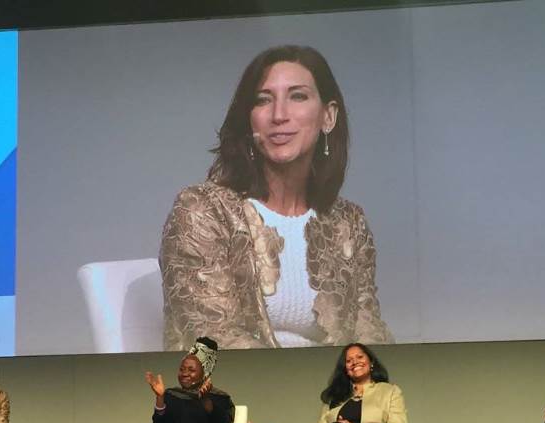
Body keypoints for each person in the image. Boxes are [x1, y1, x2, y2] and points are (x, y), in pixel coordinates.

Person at [159, 44, 392, 351]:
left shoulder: (349, 224)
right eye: (263, 100)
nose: (279, 115)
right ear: (248, 120)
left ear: (328, 116)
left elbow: (369, 334)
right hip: (241, 391)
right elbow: (215, 338)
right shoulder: (201, 210)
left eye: (298, 96)